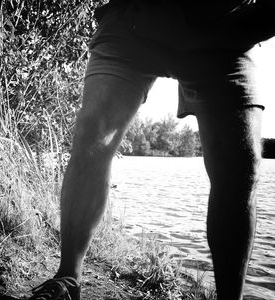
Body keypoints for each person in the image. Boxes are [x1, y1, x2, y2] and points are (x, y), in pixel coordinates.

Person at [28, 1, 275, 299]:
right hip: (133, 22)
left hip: (226, 30)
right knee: (92, 132)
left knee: (240, 165)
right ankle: (67, 279)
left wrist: (253, 22)